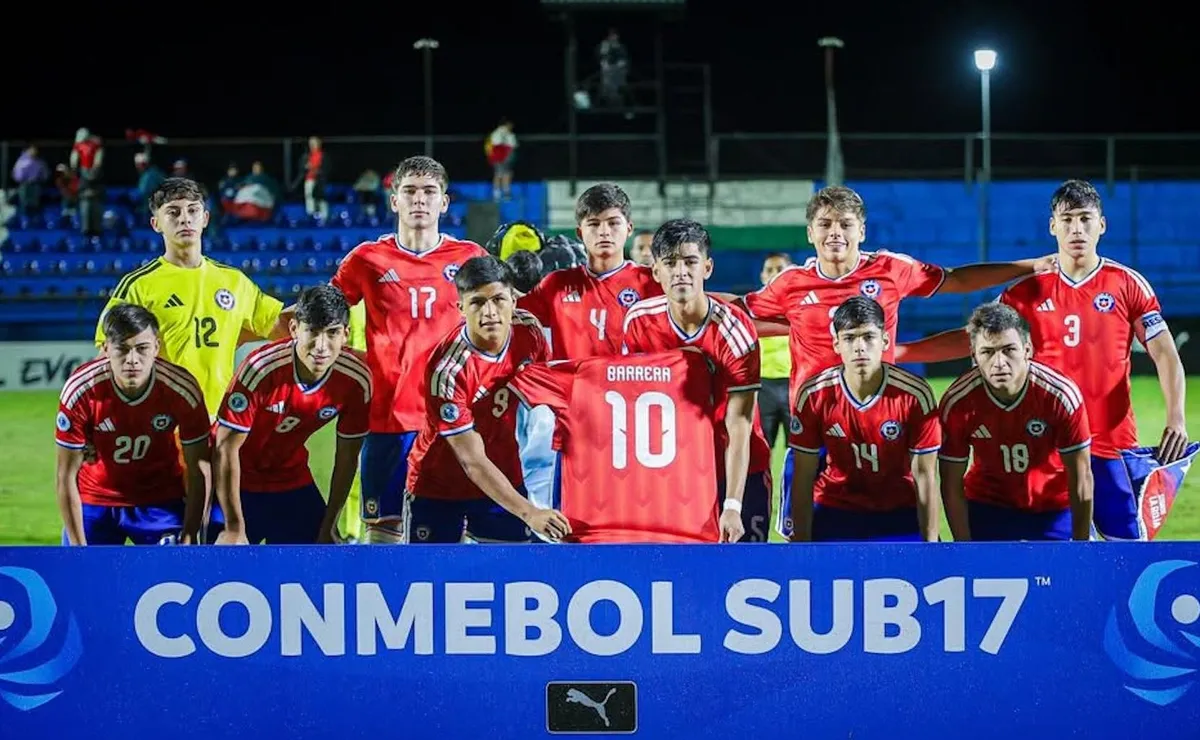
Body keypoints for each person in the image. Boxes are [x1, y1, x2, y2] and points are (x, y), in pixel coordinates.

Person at [898, 179, 1188, 541]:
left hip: (1111, 440)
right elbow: (976, 339)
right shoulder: (1024, 291)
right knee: (1044, 546)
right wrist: (901, 352)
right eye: (1067, 219)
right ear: (1053, 226)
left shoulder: (1127, 284)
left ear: (1102, 225)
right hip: (1045, 443)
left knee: (1126, 549)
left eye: (1085, 219)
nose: (1076, 229)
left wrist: (1176, 416)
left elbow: (1164, 352)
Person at [329, 156, 488, 543]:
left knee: (452, 532)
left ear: (444, 203)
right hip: (387, 419)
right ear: (394, 201)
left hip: (452, 419)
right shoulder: (366, 259)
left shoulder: (470, 258)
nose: (420, 200)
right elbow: (327, 315)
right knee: (384, 532)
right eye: (410, 192)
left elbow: (499, 322)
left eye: (429, 192)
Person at [620, 219, 771, 543]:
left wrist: (732, 504)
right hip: (676, 471)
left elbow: (739, 424)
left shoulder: (735, 332)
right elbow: (635, 412)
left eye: (690, 261)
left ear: (707, 267)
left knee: (745, 573)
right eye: (670, 263)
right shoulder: (638, 322)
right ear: (655, 272)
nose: (680, 272)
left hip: (736, 470)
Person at [404, 256, 570, 543]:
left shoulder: (529, 332)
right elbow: (473, 461)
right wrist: (530, 513)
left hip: (505, 473)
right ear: (461, 309)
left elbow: (548, 393)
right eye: (478, 302)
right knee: (430, 582)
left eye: (498, 299)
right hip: (439, 486)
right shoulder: (448, 370)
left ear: (514, 301)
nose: (490, 311)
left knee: (512, 577)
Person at [94, 177, 285, 417]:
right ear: (156, 224)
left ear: (205, 218)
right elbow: (107, 355)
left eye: (193, 210)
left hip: (219, 421)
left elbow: (281, 325)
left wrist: (334, 305)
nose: (185, 218)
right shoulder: (138, 286)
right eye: (173, 212)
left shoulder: (234, 281)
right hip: (161, 423)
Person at [508, 349, 726, 543]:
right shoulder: (696, 366)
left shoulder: (579, 373)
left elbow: (518, 379)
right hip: (688, 528)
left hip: (592, 530)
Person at [210, 284, 371, 545]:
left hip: (289, 478)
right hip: (234, 479)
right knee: (214, 566)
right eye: (312, 332)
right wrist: (233, 527)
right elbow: (225, 449)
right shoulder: (261, 369)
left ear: (346, 335)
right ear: (295, 329)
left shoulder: (356, 379)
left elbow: (347, 457)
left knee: (324, 562)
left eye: (332, 333)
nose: (321, 346)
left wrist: (329, 525)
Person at [785, 297, 941, 542]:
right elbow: (803, 475)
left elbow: (925, 475)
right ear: (836, 344)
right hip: (835, 507)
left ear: (885, 340)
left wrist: (931, 545)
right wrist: (803, 545)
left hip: (899, 510)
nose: (859, 347)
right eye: (849, 338)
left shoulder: (915, 395)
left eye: (868, 337)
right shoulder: (814, 394)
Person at [55, 304, 210, 545]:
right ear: (106, 349)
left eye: (142, 348)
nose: (132, 360)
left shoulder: (182, 390)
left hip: (160, 502)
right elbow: (65, 475)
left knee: (170, 579)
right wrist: (77, 548)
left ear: (157, 347)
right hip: (95, 502)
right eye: (122, 349)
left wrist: (190, 533)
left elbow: (199, 468)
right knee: (80, 579)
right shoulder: (81, 390)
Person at [937, 303, 1094, 541]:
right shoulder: (958, 402)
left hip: (1054, 507)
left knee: (1071, 576)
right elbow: (951, 482)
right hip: (988, 506)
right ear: (973, 356)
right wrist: (964, 548)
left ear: (1027, 349)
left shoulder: (1060, 396)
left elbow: (1081, 475)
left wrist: (1082, 547)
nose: (999, 362)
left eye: (1009, 350)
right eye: (987, 352)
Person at [518, 183, 661, 359]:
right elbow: (508, 313)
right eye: (594, 224)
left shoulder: (652, 283)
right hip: (570, 385)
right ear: (579, 233)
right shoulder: (556, 284)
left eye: (613, 223)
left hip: (630, 385)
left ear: (629, 228)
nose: (604, 232)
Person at [756, 253, 793, 449]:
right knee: (761, 449)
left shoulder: (801, 307)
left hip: (794, 386)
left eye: (780, 270)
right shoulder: (751, 307)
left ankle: (797, 481)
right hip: (762, 388)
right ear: (762, 275)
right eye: (770, 270)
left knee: (799, 450)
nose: (774, 274)